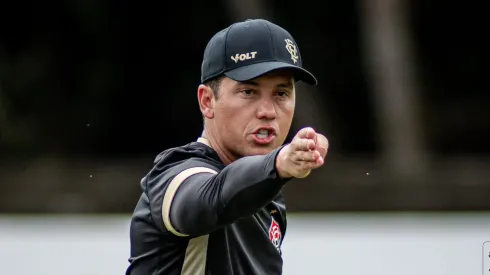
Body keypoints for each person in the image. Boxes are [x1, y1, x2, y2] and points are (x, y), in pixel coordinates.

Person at [125, 18, 329, 275]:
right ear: (207, 101)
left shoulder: (267, 196)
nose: (267, 111)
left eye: (281, 93)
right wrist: (278, 163)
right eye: (248, 92)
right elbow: (209, 198)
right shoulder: (175, 173)